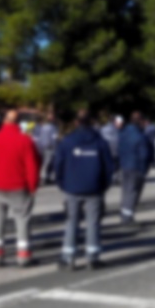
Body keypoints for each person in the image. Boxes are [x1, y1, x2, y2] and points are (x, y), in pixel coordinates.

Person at [0, 109, 40, 268]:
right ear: (18, 122)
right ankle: (23, 255)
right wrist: (33, 187)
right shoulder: (25, 141)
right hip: (18, 187)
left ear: (3, 121)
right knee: (22, 220)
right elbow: (32, 166)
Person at [54, 110, 115, 270]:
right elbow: (109, 168)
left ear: (76, 123)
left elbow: (58, 165)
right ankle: (92, 257)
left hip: (72, 188)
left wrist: (62, 184)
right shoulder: (100, 142)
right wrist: (103, 186)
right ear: (92, 123)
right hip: (94, 188)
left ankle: (68, 258)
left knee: (71, 222)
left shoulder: (67, 141)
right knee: (93, 223)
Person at [117, 111, 153, 224]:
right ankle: (127, 216)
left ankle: (124, 213)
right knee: (133, 192)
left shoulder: (123, 133)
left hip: (124, 166)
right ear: (140, 121)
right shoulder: (141, 136)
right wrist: (144, 169)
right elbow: (144, 155)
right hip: (136, 167)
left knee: (126, 191)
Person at [33, 115, 60, 185]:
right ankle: (46, 178)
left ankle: (38, 178)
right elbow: (55, 138)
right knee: (48, 163)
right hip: (49, 147)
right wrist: (56, 146)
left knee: (39, 163)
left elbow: (35, 138)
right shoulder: (53, 127)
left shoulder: (37, 127)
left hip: (39, 147)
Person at [100, 115, 122, 182]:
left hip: (107, 150)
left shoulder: (103, 129)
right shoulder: (118, 129)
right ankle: (116, 178)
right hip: (116, 150)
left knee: (108, 165)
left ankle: (110, 177)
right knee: (117, 165)